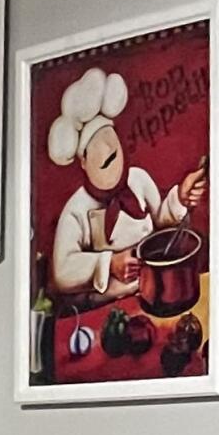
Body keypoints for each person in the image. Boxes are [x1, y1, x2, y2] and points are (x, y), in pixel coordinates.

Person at [42, 63, 208, 306]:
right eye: (100, 154)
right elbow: (62, 271)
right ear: (84, 162)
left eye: (113, 148)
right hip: (109, 304)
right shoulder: (76, 210)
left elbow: (163, 224)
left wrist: (180, 199)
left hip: (155, 292)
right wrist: (109, 263)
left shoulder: (138, 179)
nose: (110, 156)